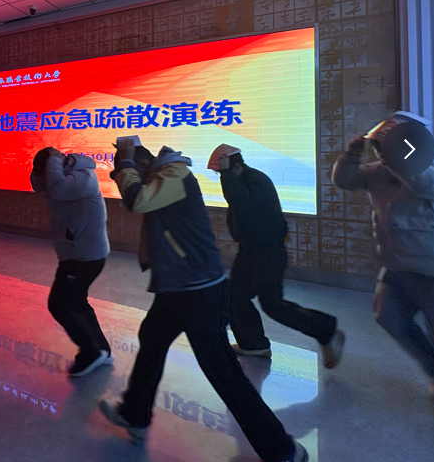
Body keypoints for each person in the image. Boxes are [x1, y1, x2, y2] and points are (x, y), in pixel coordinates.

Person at [98, 139, 308, 462]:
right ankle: (134, 414)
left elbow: (137, 200)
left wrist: (123, 163)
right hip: (178, 287)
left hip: (198, 290)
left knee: (222, 371)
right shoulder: (163, 177)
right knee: (152, 341)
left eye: (127, 169)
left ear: (141, 164)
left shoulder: (175, 175)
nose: (126, 176)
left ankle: (282, 449)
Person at [332, 111, 434, 432]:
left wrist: (397, 151)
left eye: (395, 137)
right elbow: (344, 180)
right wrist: (352, 153)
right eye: (382, 139)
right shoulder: (378, 171)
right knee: (388, 317)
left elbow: (427, 185)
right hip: (396, 265)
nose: (383, 145)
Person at [209, 146, 344, 368]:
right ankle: (254, 344)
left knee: (272, 305)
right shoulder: (245, 179)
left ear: (237, 167)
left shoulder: (257, 181)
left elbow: (240, 200)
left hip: (268, 253)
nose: (220, 176)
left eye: (222, 171)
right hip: (250, 251)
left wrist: (225, 174)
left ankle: (326, 329)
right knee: (235, 297)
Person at [30, 147, 113, 377]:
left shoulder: (83, 176)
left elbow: (59, 189)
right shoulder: (61, 176)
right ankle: (101, 349)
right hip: (78, 254)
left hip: (84, 256)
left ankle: (92, 352)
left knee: (59, 304)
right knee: (77, 302)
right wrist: (47, 164)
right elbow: (37, 186)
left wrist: (53, 160)